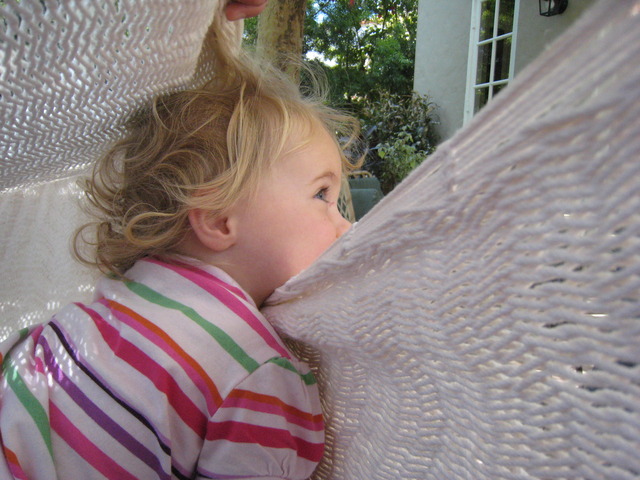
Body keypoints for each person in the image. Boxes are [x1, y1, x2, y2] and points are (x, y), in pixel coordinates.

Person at [0, 7, 360, 479]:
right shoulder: (259, 375)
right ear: (217, 218)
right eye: (322, 195)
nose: (345, 227)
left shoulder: (126, 289)